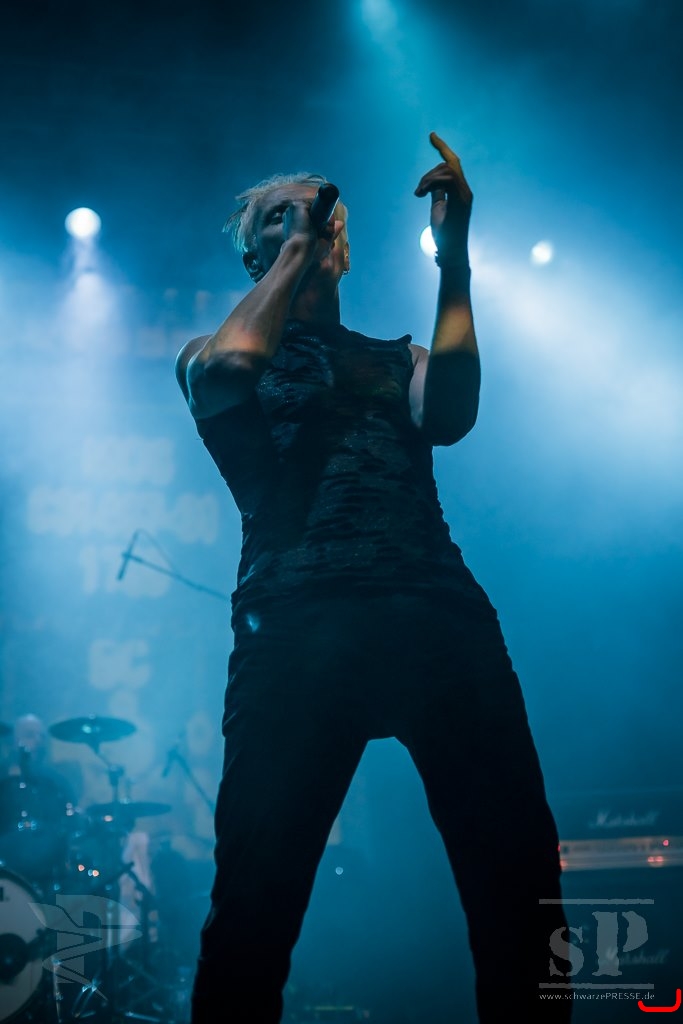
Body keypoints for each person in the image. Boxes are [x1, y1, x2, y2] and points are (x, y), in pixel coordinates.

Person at [175, 133, 571, 1023]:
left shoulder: (401, 358)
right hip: (295, 628)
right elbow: (233, 371)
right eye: (278, 216)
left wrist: (453, 259)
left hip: (436, 616)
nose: (308, 221)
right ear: (253, 254)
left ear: (345, 248)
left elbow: (454, 414)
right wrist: (294, 252)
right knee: (257, 892)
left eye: (321, 215)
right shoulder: (210, 349)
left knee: (518, 877)